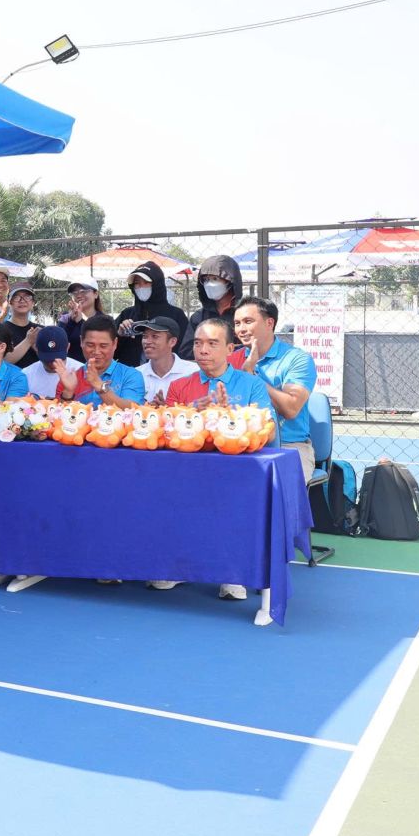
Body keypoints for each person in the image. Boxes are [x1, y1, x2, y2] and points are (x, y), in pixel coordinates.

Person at [166, 315, 275, 601]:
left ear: (229, 349)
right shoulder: (180, 386)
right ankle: (176, 567)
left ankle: (232, 572)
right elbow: (166, 430)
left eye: (212, 343)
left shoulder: (252, 385)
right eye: (198, 343)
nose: (203, 350)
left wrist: (230, 416)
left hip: (236, 472)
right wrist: (192, 411)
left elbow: (270, 432)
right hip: (187, 470)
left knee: (233, 500)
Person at [233, 296, 319, 477]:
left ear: (269, 323)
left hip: (289, 446)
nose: (241, 329)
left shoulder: (297, 359)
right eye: (237, 323)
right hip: (238, 443)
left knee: (279, 488)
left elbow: (291, 408)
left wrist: (251, 375)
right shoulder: (231, 359)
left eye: (248, 321)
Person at [114, 261, 190, 368]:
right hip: (130, 374)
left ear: (157, 284)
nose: (141, 287)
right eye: (137, 283)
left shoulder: (176, 315)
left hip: (167, 373)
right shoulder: (127, 314)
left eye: (146, 282)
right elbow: (112, 353)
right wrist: (120, 335)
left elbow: (184, 351)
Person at [178, 255, 243, 361]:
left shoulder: (245, 313)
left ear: (230, 280)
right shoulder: (199, 317)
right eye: (206, 280)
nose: (209, 284)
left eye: (215, 279)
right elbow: (185, 351)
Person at [75, 314, 147, 408]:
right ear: (81, 342)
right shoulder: (72, 377)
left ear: (115, 344)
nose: (96, 352)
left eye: (103, 346)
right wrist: (67, 394)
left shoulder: (131, 375)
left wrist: (100, 386)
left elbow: (133, 409)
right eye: (90, 345)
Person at [133, 315, 197, 403]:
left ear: (172, 342)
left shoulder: (193, 372)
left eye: (155, 336)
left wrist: (167, 408)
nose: (147, 341)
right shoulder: (135, 374)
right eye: (145, 336)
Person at [22, 326, 91, 401]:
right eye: (47, 360)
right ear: (36, 349)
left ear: (68, 347)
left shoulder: (83, 372)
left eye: (58, 358)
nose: (53, 364)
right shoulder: (26, 374)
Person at [57, 278, 102, 363]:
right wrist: (72, 322)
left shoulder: (104, 320)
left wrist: (80, 322)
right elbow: (58, 343)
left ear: (95, 294)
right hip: (70, 368)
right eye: (74, 293)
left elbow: (95, 342)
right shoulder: (65, 318)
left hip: (95, 366)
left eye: (83, 291)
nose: (78, 295)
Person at [1, 283, 42, 369]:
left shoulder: (40, 330)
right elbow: (1, 362)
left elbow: (52, 362)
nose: (22, 301)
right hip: (11, 377)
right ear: (9, 302)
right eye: (16, 297)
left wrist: (39, 350)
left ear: (33, 302)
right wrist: (28, 341)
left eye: (27, 297)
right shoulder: (0, 330)